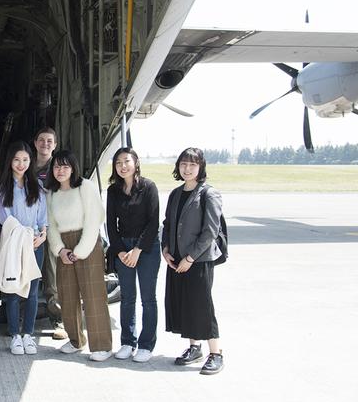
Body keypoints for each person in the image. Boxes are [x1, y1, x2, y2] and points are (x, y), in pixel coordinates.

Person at [45, 150, 113, 361]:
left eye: (65, 166)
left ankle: (102, 345)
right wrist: (60, 250)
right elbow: (51, 226)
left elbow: (94, 219)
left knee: (93, 295)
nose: (61, 171)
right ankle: (76, 340)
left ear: (73, 168)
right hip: (64, 245)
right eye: (57, 166)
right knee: (67, 295)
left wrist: (80, 251)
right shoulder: (51, 193)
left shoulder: (85, 186)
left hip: (88, 242)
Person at [162, 147, 224, 375]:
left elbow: (210, 232)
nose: (187, 169)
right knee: (185, 305)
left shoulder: (209, 193)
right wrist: (165, 249)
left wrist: (190, 257)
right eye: (183, 164)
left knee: (202, 306)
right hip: (176, 259)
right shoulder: (176, 193)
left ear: (201, 167)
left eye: (192, 165)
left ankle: (216, 353)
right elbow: (168, 224)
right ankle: (194, 347)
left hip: (198, 260)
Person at [106, 147, 160, 363]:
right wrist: (120, 251)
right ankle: (128, 342)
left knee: (148, 299)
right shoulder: (113, 191)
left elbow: (153, 222)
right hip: (123, 249)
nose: (122, 166)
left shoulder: (148, 187)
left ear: (136, 162)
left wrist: (137, 250)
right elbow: (111, 224)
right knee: (127, 298)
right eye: (118, 162)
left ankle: (146, 345)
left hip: (146, 248)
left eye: (126, 161)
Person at [0, 142, 47, 356]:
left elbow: (43, 216)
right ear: (10, 161)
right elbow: (5, 218)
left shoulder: (37, 187)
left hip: (35, 244)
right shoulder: (3, 188)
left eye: (25, 160)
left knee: (33, 291)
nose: (21, 164)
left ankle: (28, 335)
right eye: (17, 160)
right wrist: (23, 237)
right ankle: (15, 335)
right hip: (14, 244)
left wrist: (42, 235)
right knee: (14, 290)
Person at [33, 127, 66, 340]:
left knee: (53, 274)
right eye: (42, 140)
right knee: (27, 272)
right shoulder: (26, 164)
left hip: (53, 228)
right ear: (35, 143)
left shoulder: (59, 167)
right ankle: (22, 318)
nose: (45, 144)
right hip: (32, 227)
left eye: (50, 141)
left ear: (55, 145)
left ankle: (59, 319)